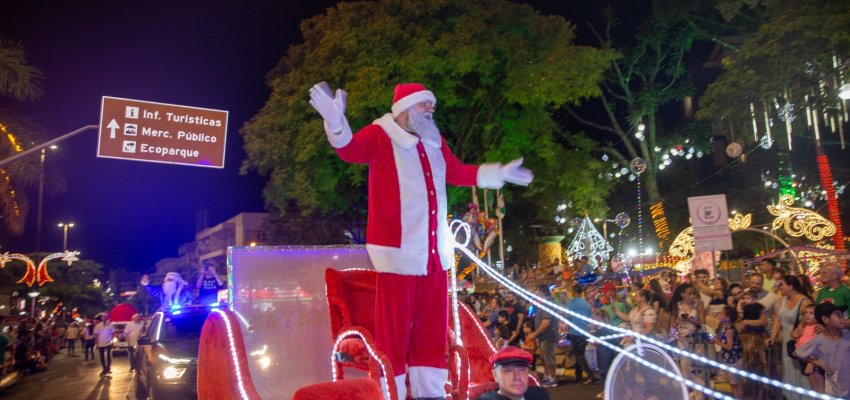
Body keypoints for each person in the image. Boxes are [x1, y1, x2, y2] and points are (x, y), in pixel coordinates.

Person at [309, 81, 533, 400]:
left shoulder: (435, 142)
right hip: (398, 255)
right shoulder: (380, 135)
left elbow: (457, 172)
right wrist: (335, 121)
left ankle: (432, 394)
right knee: (394, 337)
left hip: (435, 257)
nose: (431, 109)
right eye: (424, 104)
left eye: (432, 105)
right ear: (403, 109)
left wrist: (498, 175)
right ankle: (392, 394)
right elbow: (349, 150)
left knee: (431, 335)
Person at [767, 275, 813, 399]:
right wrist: (773, 336)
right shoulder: (784, 299)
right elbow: (778, 319)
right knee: (790, 369)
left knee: (801, 371)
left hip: (800, 341)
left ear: (791, 286)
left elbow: (809, 322)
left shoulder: (804, 301)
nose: (779, 287)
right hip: (786, 341)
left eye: (781, 284)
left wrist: (798, 332)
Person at [793, 303, 850, 398]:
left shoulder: (847, 334)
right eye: (838, 315)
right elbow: (797, 352)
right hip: (835, 391)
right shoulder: (819, 340)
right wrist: (820, 363)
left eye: (843, 315)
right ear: (826, 319)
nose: (843, 319)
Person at [477, 346, 550, 400]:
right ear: (495, 375)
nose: (517, 377)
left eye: (522, 370)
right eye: (508, 370)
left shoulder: (540, 395)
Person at [526, 285, 558, 387]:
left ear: (542, 292)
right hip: (543, 336)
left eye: (537, 291)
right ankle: (547, 376)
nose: (536, 293)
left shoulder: (547, 305)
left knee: (549, 357)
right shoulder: (542, 304)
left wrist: (534, 334)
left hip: (548, 336)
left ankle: (552, 379)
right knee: (544, 357)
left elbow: (546, 322)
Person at [712, 306, 744, 399]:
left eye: (722, 314)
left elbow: (729, 347)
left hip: (733, 360)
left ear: (727, 318)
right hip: (730, 359)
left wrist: (717, 342)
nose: (719, 315)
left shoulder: (729, 331)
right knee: (733, 383)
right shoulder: (726, 328)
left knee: (735, 384)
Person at [792, 304, 824, 393]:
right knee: (814, 389)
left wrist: (811, 364)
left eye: (811, 313)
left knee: (819, 389)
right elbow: (801, 344)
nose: (807, 315)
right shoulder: (806, 327)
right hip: (805, 359)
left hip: (812, 362)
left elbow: (815, 346)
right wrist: (796, 337)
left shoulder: (817, 328)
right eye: (805, 313)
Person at [565, 284, 593, 384]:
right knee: (578, 354)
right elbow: (590, 317)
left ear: (574, 292)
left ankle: (590, 375)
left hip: (575, 331)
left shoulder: (571, 303)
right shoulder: (586, 303)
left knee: (580, 355)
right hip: (584, 331)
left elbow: (567, 315)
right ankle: (578, 375)